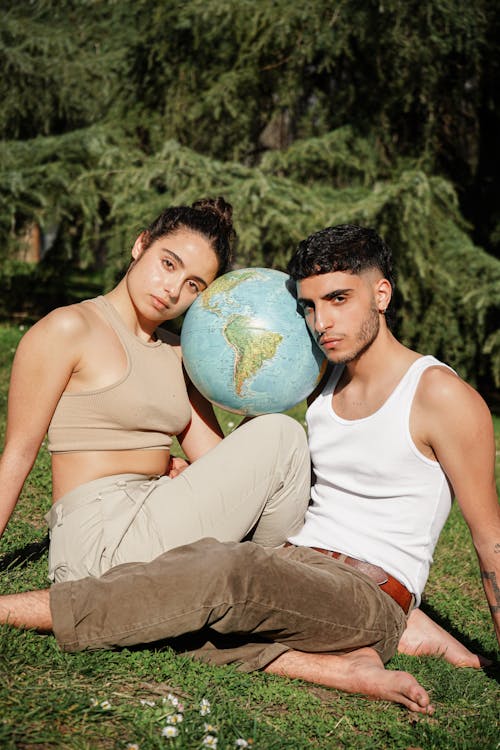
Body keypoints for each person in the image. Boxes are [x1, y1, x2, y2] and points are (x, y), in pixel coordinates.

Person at [1, 224, 498, 713]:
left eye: (339, 299)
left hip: (354, 585)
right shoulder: (321, 386)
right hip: (279, 563)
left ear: (381, 294)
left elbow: (490, 540)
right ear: (140, 246)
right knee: (197, 596)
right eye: (309, 307)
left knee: (224, 570)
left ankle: (14, 612)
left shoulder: (439, 394)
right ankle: (335, 661)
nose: (321, 321)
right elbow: (21, 454)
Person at [0, 196, 312, 582]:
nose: (172, 290)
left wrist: (176, 470)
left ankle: (271, 581)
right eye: (168, 264)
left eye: (193, 285)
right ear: (140, 244)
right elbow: (18, 454)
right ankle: (275, 583)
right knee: (282, 435)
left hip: (155, 509)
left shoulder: (182, 354)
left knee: (279, 436)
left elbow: (213, 458)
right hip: (97, 537)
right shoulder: (69, 329)